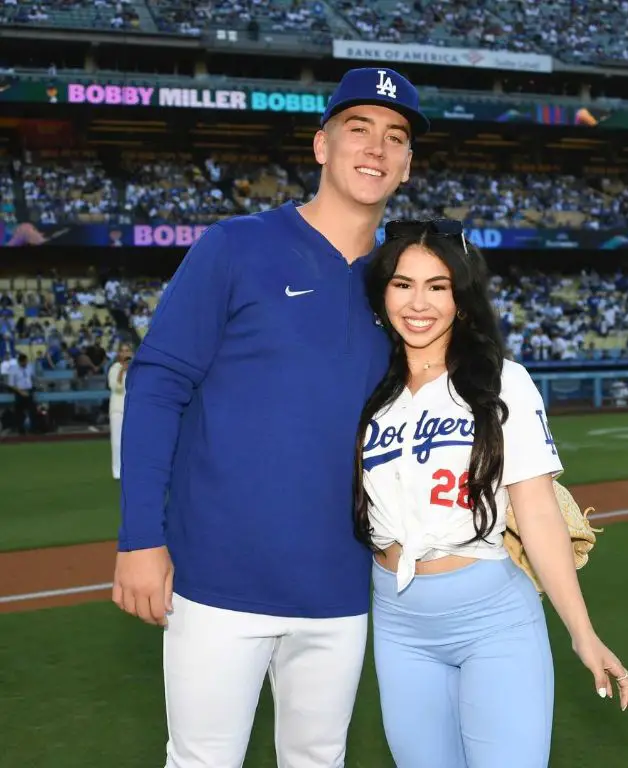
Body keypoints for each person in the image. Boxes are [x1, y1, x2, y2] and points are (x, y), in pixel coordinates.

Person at [111, 66, 429, 768]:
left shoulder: (406, 287)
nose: (376, 147)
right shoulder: (237, 246)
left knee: (317, 760)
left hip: (342, 583)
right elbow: (158, 383)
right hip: (217, 577)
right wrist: (140, 536)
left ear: (407, 166)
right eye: (358, 129)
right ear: (321, 146)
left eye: (395, 137)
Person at [354, 220, 628, 768]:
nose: (419, 302)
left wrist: (583, 633)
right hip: (398, 621)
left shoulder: (502, 381)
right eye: (402, 283)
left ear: (461, 299)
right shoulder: (367, 388)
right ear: (382, 292)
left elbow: (535, 511)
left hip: (492, 617)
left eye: (438, 286)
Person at [107, 342, 133, 480]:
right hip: (117, 408)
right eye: (122, 351)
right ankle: (117, 471)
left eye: (127, 350)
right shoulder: (114, 369)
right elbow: (115, 387)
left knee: (132, 441)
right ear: (119, 354)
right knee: (117, 441)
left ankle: (130, 468)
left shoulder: (136, 370)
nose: (125, 353)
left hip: (133, 408)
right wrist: (122, 371)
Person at [7, 353, 36, 435]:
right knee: (19, 411)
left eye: (27, 362)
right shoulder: (13, 370)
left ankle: (33, 429)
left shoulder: (29, 367)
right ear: (20, 362)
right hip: (19, 391)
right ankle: (21, 430)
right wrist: (21, 392)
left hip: (29, 390)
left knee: (33, 410)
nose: (26, 363)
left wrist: (33, 388)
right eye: (25, 362)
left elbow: (32, 378)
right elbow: (11, 384)